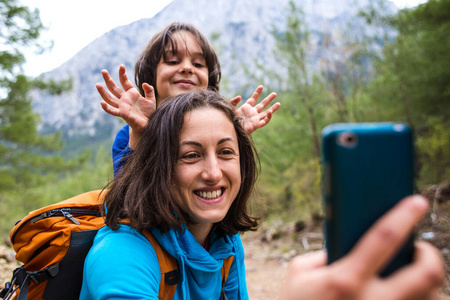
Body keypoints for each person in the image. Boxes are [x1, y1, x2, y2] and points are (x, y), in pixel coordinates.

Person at [80, 90, 444, 300]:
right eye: (190, 155)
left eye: (226, 152)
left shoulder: (224, 243)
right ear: (159, 168)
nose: (213, 172)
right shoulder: (122, 254)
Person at [95, 22, 280, 175]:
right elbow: (125, 196)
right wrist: (140, 134)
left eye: (198, 63)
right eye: (173, 61)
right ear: (152, 75)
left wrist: (237, 136)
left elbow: (231, 183)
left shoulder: (219, 129)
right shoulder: (129, 135)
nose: (187, 68)